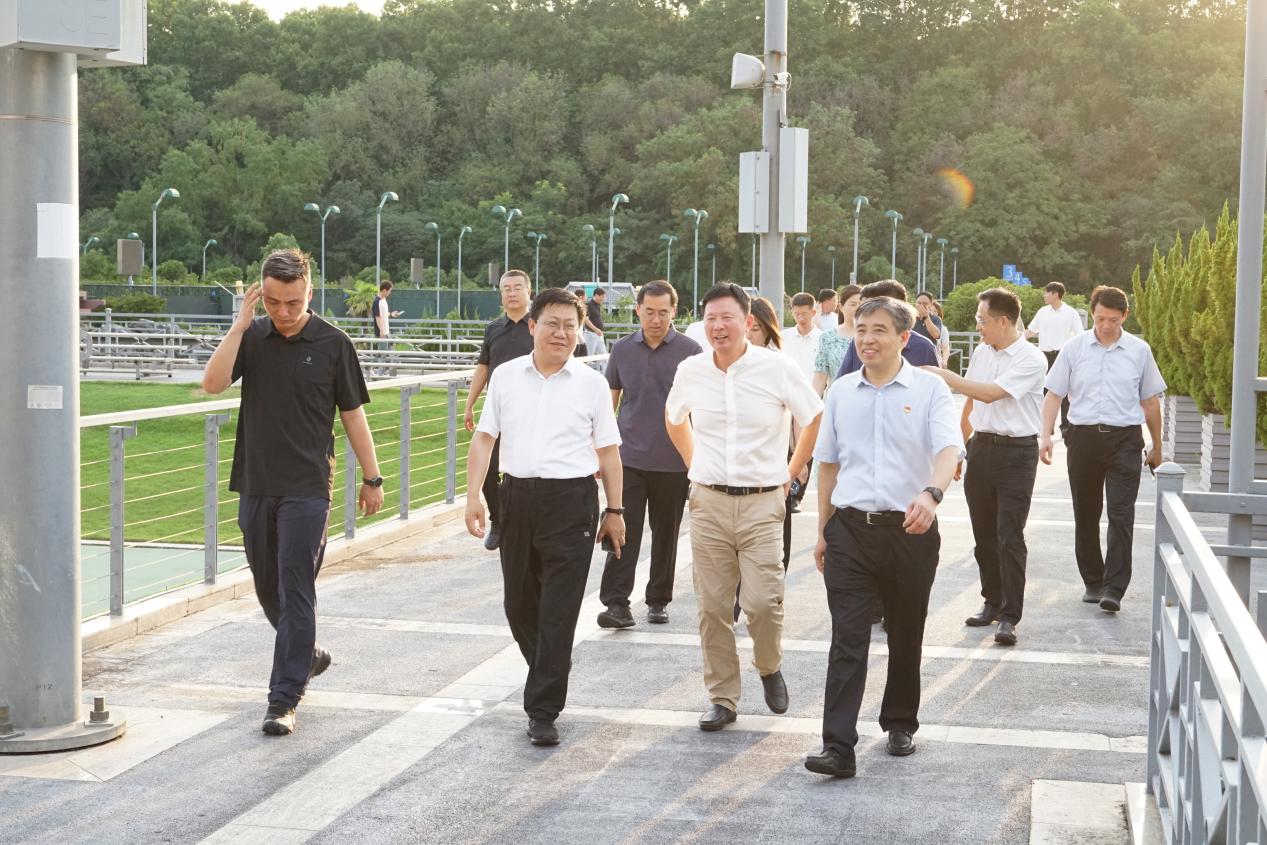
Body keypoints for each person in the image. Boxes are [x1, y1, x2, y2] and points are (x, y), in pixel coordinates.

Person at [201, 249, 384, 736]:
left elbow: (352, 415)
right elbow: (212, 384)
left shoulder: (333, 343)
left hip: (308, 488)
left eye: (294, 303)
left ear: (310, 293)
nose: (283, 312)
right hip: (256, 483)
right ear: (260, 295)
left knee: (296, 587)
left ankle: (283, 699)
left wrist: (372, 477)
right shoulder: (252, 337)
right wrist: (240, 325)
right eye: (273, 302)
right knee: (268, 587)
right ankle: (307, 653)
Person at [804, 296, 963, 779]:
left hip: (910, 531)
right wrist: (823, 530)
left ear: (903, 337)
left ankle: (899, 721)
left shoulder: (930, 390)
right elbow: (828, 465)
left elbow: (949, 449)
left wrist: (932, 495)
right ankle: (838, 746)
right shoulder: (841, 392)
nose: (867, 339)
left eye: (878, 330)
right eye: (861, 329)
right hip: (850, 531)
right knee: (847, 637)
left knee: (905, 632)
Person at [464, 286, 626, 748]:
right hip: (516, 499)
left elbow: (608, 452)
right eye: (552, 323)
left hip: (572, 503)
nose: (561, 333)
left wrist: (615, 510)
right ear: (533, 326)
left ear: (579, 333)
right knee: (518, 604)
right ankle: (548, 669)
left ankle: (542, 709)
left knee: (559, 609)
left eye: (570, 326)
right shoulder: (506, 376)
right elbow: (484, 439)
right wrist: (473, 496)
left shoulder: (592, 384)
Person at [665, 283, 823, 732]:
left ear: (747, 321)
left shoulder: (777, 368)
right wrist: (694, 463)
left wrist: (792, 470)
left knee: (762, 602)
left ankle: (769, 666)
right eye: (710, 319)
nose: (718, 327)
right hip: (709, 502)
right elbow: (674, 419)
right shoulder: (692, 370)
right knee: (713, 606)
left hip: (762, 503)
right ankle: (722, 697)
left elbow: (813, 416)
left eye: (727, 318)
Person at [924, 288, 1046, 646]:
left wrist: (943, 375)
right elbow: (972, 401)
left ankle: (1010, 615)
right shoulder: (981, 352)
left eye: (982, 320)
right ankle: (992, 601)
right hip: (981, 448)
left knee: (1010, 534)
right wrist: (959, 449)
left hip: (1017, 453)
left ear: (1003, 321)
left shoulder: (1031, 358)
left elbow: (991, 393)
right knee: (983, 535)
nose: (978, 326)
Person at [1040, 285, 1164, 613]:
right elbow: (1054, 394)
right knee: (1086, 512)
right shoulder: (1074, 348)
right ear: (1091, 315)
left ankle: (1114, 588)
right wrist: (1045, 435)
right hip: (1083, 439)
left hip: (1125, 440)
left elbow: (1150, 401)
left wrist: (1157, 445)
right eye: (1099, 319)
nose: (1105, 325)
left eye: (1112, 319)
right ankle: (1093, 581)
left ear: (1125, 316)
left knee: (1121, 514)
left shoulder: (1139, 351)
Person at [597, 281, 701, 629]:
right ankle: (616, 603)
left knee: (666, 533)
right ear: (638, 310)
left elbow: (701, 407)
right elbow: (608, 404)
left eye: (663, 313)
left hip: (674, 461)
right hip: (628, 459)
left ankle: (658, 600)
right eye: (650, 312)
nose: (656, 320)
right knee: (620, 529)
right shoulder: (622, 349)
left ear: (674, 312)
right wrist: (599, 451)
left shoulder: (691, 351)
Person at [463, 270, 534, 552]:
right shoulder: (493, 329)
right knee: (489, 469)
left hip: (532, 412)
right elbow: (483, 367)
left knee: (528, 470)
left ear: (529, 291)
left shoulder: (538, 326)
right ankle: (498, 520)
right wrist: (470, 404)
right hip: (498, 412)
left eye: (517, 288)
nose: (512, 293)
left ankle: (525, 523)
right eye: (506, 288)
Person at [834, 280, 939, 380]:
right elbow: (842, 386)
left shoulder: (924, 349)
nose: (866, 313)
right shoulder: (859, 344)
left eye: (875, 307)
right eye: (865, 307)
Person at [1026, 281, 1084, 434]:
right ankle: (1046, 427)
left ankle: (1066, 427)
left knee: (1064, 393)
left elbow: (1080, 336)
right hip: (1044, 357)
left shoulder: (1071, 313)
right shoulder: (1042, 312)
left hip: (1063, 356)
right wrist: (1014, 341)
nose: (1044, 295)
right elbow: (1030, 331)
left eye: (1047, 292)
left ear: (1056, 294)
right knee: (1043, 392)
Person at [812, 284, 862, 396]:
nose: (858, 308)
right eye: (853, 304)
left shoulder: (872, 337)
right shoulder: (828, 337)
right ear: (841, 307)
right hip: (836, 399)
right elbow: (820, 377)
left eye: (862, 304)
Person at [783, 292, 822, 382]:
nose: (800, 318)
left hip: (813, 389)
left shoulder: (823, 339)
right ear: (792, 312)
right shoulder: (783, 336)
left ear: (813, 313)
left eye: (804, 313)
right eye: (797, 313)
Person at [584, 287, 608, 357]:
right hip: (591, 335)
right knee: (589, 357)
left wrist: (598, 330)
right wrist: (596, 329)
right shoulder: (589, 305)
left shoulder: (598, 305)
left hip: (598, 335)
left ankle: (605, 365)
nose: (603, 299)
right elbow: (586, 319)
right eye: (602, 297)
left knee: (604, 357)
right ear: (596, 295)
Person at [931, 299, 952, 368]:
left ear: (939, 313)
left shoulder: (943, 329)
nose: (932, 313)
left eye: (935, 311)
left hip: (936, 363)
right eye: (930, 311)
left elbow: (945, 347)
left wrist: (944, 361)